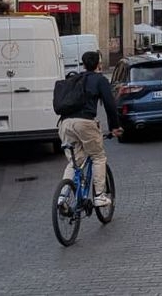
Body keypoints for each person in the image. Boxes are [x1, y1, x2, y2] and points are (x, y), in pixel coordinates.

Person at [58, 50, 122, 208]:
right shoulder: (100, 80)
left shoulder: (74, 79)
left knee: (75, 162)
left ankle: (62, 198)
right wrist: (114, 127)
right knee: (98, 156)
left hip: (64, 123)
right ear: (99, 64)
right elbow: (110, 105)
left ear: (84, 64)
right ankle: (99, 196)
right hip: (84, 122)